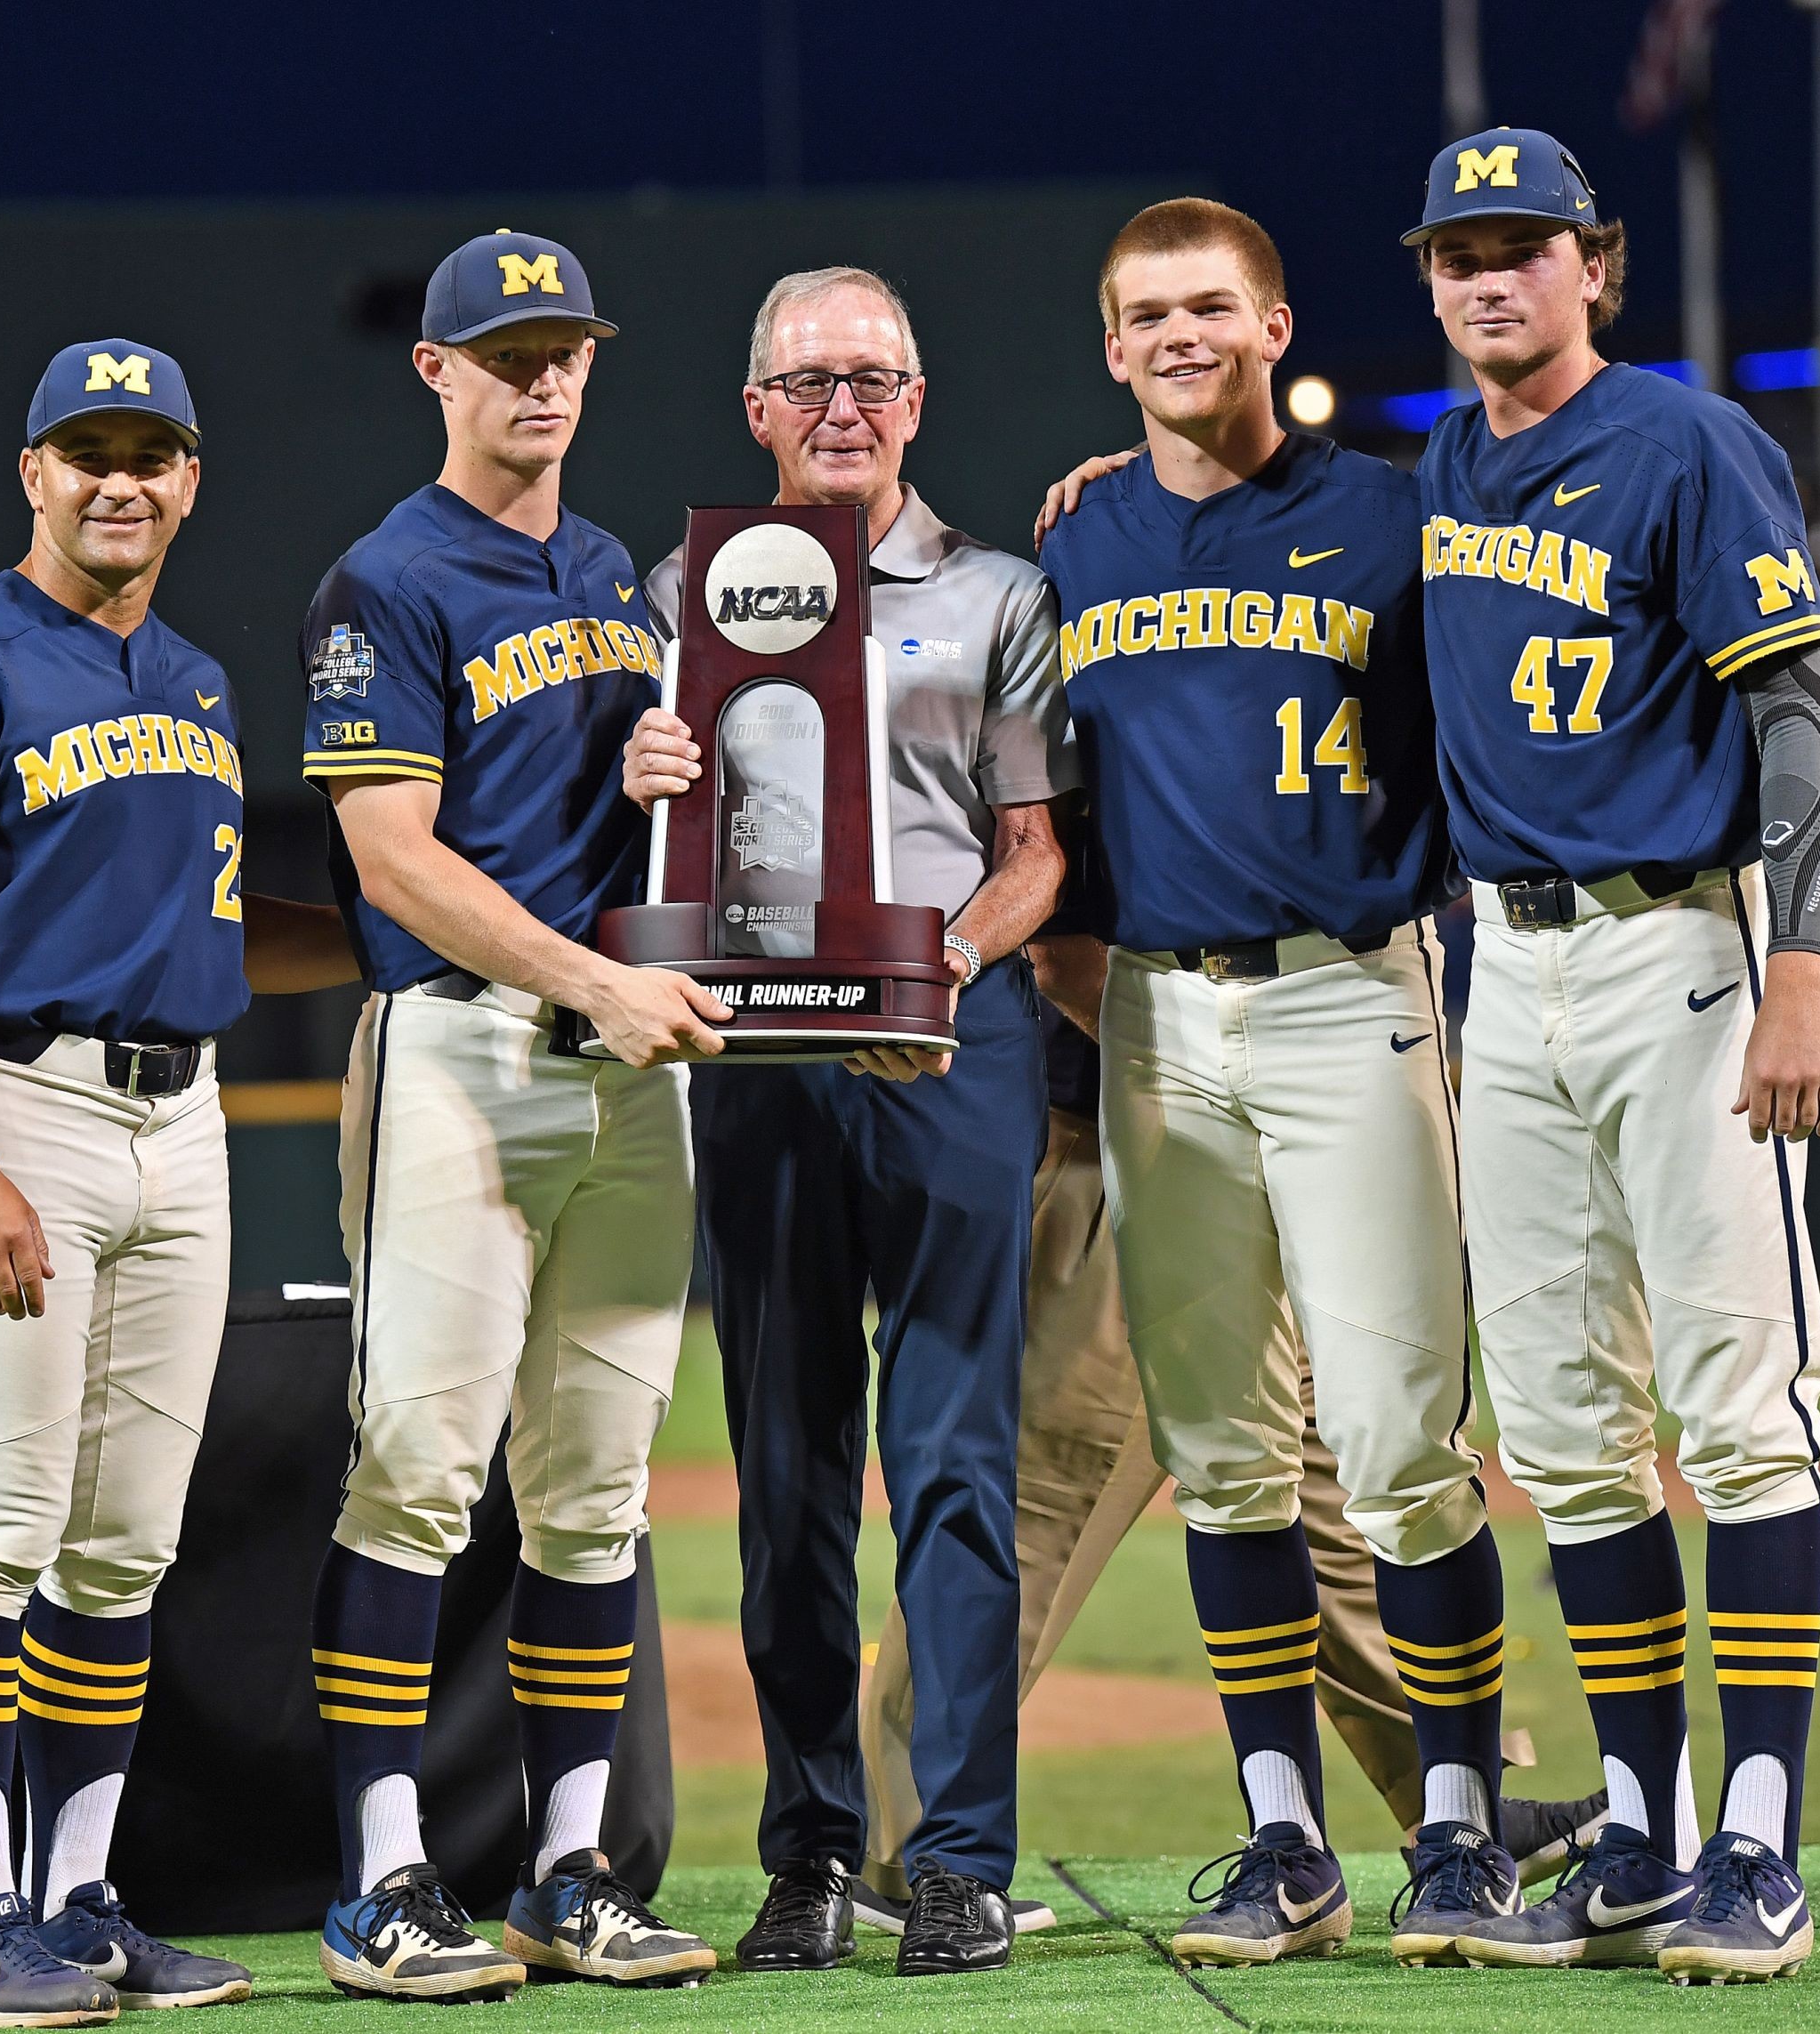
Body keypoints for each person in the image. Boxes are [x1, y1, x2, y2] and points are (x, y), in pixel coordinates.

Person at [1006, 198, 1518, 1971]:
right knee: (1225, 1454)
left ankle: (1459, 1833)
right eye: (1145, 313)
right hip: (1154, 1023)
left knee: (1397, 1444)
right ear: (1107, 344)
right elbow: (1044, 821)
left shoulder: (1392, 515)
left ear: (1277, 322)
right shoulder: (1071, 546)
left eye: (1208, 306)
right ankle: (1282, 1838)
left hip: (1346, 1001)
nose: (1177, 334)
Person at [0, 337, 357, 2028]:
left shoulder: (195, 679)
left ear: (194, 479)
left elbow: (197, 930)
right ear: (33, 474)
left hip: (179, 1116)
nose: (119, 479)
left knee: (120, 1551)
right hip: (12, 1103)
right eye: (87, 451)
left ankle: (78, 1903)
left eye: (153, 452)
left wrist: (400, 936)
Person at [1405, 130, 1820, 1983]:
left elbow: (1798, 710)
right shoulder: (1436, 464)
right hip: (1504, 973)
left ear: (1595, 263)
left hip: (1684, 950)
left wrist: (1801, 969)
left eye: (1522, 250)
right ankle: (1642, 1829)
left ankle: (1760, 1840)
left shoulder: (1684, 443)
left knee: (1737, 1411)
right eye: (1456, 255)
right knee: (1572, 1440)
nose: (1488, 281)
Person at [621, 265, 1074, 1977]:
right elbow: (664, 855)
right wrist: (645, 778)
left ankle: (954, 1858)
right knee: (786, 1470)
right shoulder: (679, 595)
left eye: (873, 379)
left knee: (954, 1463)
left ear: (919, 400)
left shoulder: (998, 597)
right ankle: (808, 1851)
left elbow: (1036, 853)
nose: (843, 409)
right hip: (757, 1063)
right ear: (755, 409)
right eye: (809, 383)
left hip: (950, 1052)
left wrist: (941, 971)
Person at [300, 230, 727, 2004]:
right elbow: (392, 857)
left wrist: (651, 770)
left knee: (593, 1495)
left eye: (563, 347)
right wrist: (595, 981)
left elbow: (599, 815)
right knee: (415, 1467)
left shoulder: (622, 568)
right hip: (463, 1054)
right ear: (436, 372)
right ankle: (384, 1874)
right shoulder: (382, 581)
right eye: (505, 349)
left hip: (624, 1072)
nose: (540, 375)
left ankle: (569, 1872)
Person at [852, 985, 1608, 1917]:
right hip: (1121, 1149)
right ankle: (899, 1851)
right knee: (1041, 1511)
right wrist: (1204, 1055)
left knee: (1328, 1513)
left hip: (1246, 1146)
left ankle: (1459, 1810)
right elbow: (1059, 942)